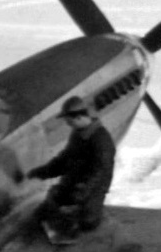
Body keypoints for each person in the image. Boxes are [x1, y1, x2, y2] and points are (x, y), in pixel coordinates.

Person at [28, 96, 116, 241]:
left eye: (69, 120)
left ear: (79, 117)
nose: (68, 124)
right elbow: (65, 159)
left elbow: (101, 172)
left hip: (93, 187)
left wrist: (82, 192)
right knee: (42, 214)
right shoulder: (77, 133)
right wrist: (43, 172)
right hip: (74, 181)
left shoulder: (101, 140)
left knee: (88, 222)